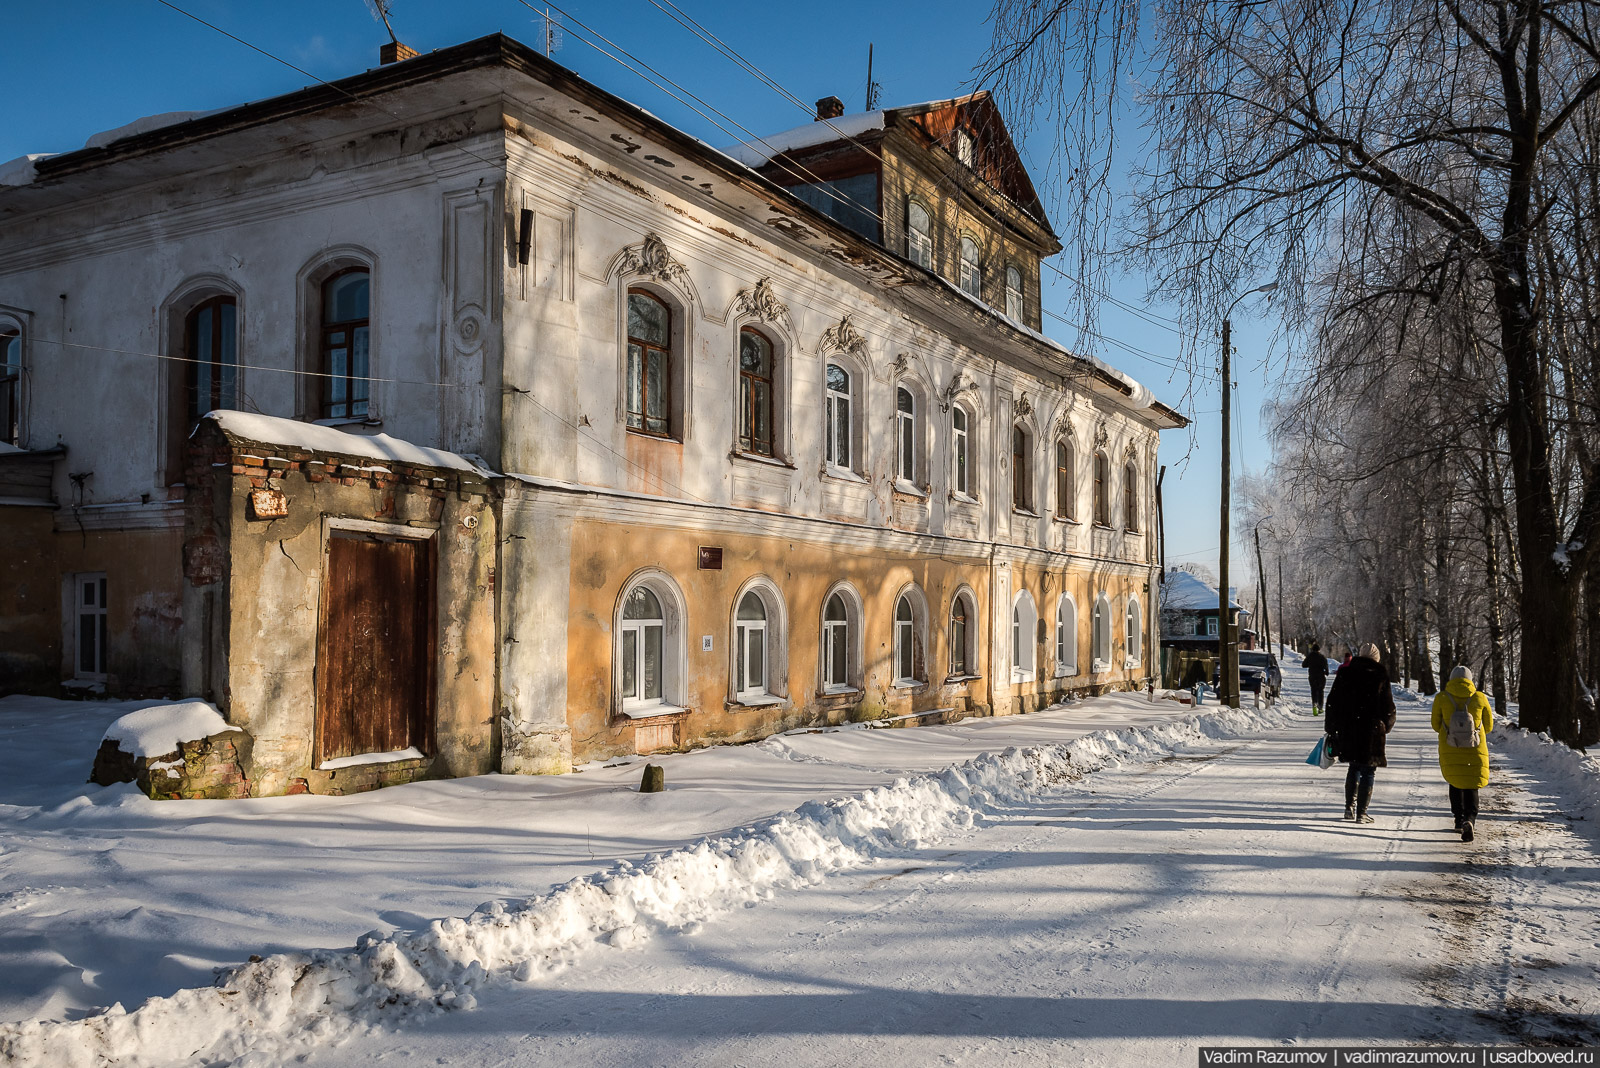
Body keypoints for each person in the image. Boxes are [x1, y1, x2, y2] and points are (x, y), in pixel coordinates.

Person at [1324, 643, 1396, 823]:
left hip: (1349, 727)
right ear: (1376, 657)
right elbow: (1388, 706)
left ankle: (1349, 807)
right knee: (1369, 770)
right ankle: (1362, 813)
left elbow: (1333, 701)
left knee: (1354, 766)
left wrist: (1332, 727)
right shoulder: (1379, 675)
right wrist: (1386, 725)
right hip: (1372, 730)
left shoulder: (1345, 673)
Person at [1431, 665, 1493, 841]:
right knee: (1471, 783)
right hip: (1475, 747)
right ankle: (1470, 819)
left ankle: (1458, 820)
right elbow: (1488, 726)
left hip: (1451, 746)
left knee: (1455, 780)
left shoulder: (1442, 698)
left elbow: (1436, 725)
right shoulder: (1479, 698)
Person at [1303, 643, 1330, 715]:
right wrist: (1326, 672)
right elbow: (1326, 667)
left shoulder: (1309, 656)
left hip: (1312, 676)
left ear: (1312, 649)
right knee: (1321, 691)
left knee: (1314, 690)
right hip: (1321, 677)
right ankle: (1320, 707)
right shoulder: (1322, 657)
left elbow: (1304, 665)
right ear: (1319, 649)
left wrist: (1310, 665)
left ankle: (1314, 704)